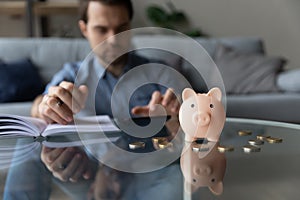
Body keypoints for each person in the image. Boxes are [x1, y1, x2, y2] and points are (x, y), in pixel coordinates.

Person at [4, 0, 186, 199]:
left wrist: (177, 119)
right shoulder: (72, 74)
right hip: (87, 172)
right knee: (31, 141)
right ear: (84, 29)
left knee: (176, 176)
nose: (112, 39)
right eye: (101, 29)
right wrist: (45, 106)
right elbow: (41, 105)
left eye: (121, 28)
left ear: (130, 25)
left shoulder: (160, 73)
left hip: (146, 171)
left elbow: (191, 127)